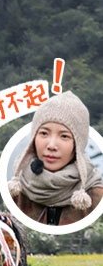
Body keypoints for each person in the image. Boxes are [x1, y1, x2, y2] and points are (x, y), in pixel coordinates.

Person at [8, 91, 103, 225]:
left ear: (78, 144)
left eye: (64, 136)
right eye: (44, 133)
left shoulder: (95, 196)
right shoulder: (16, 191)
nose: (51, 145)